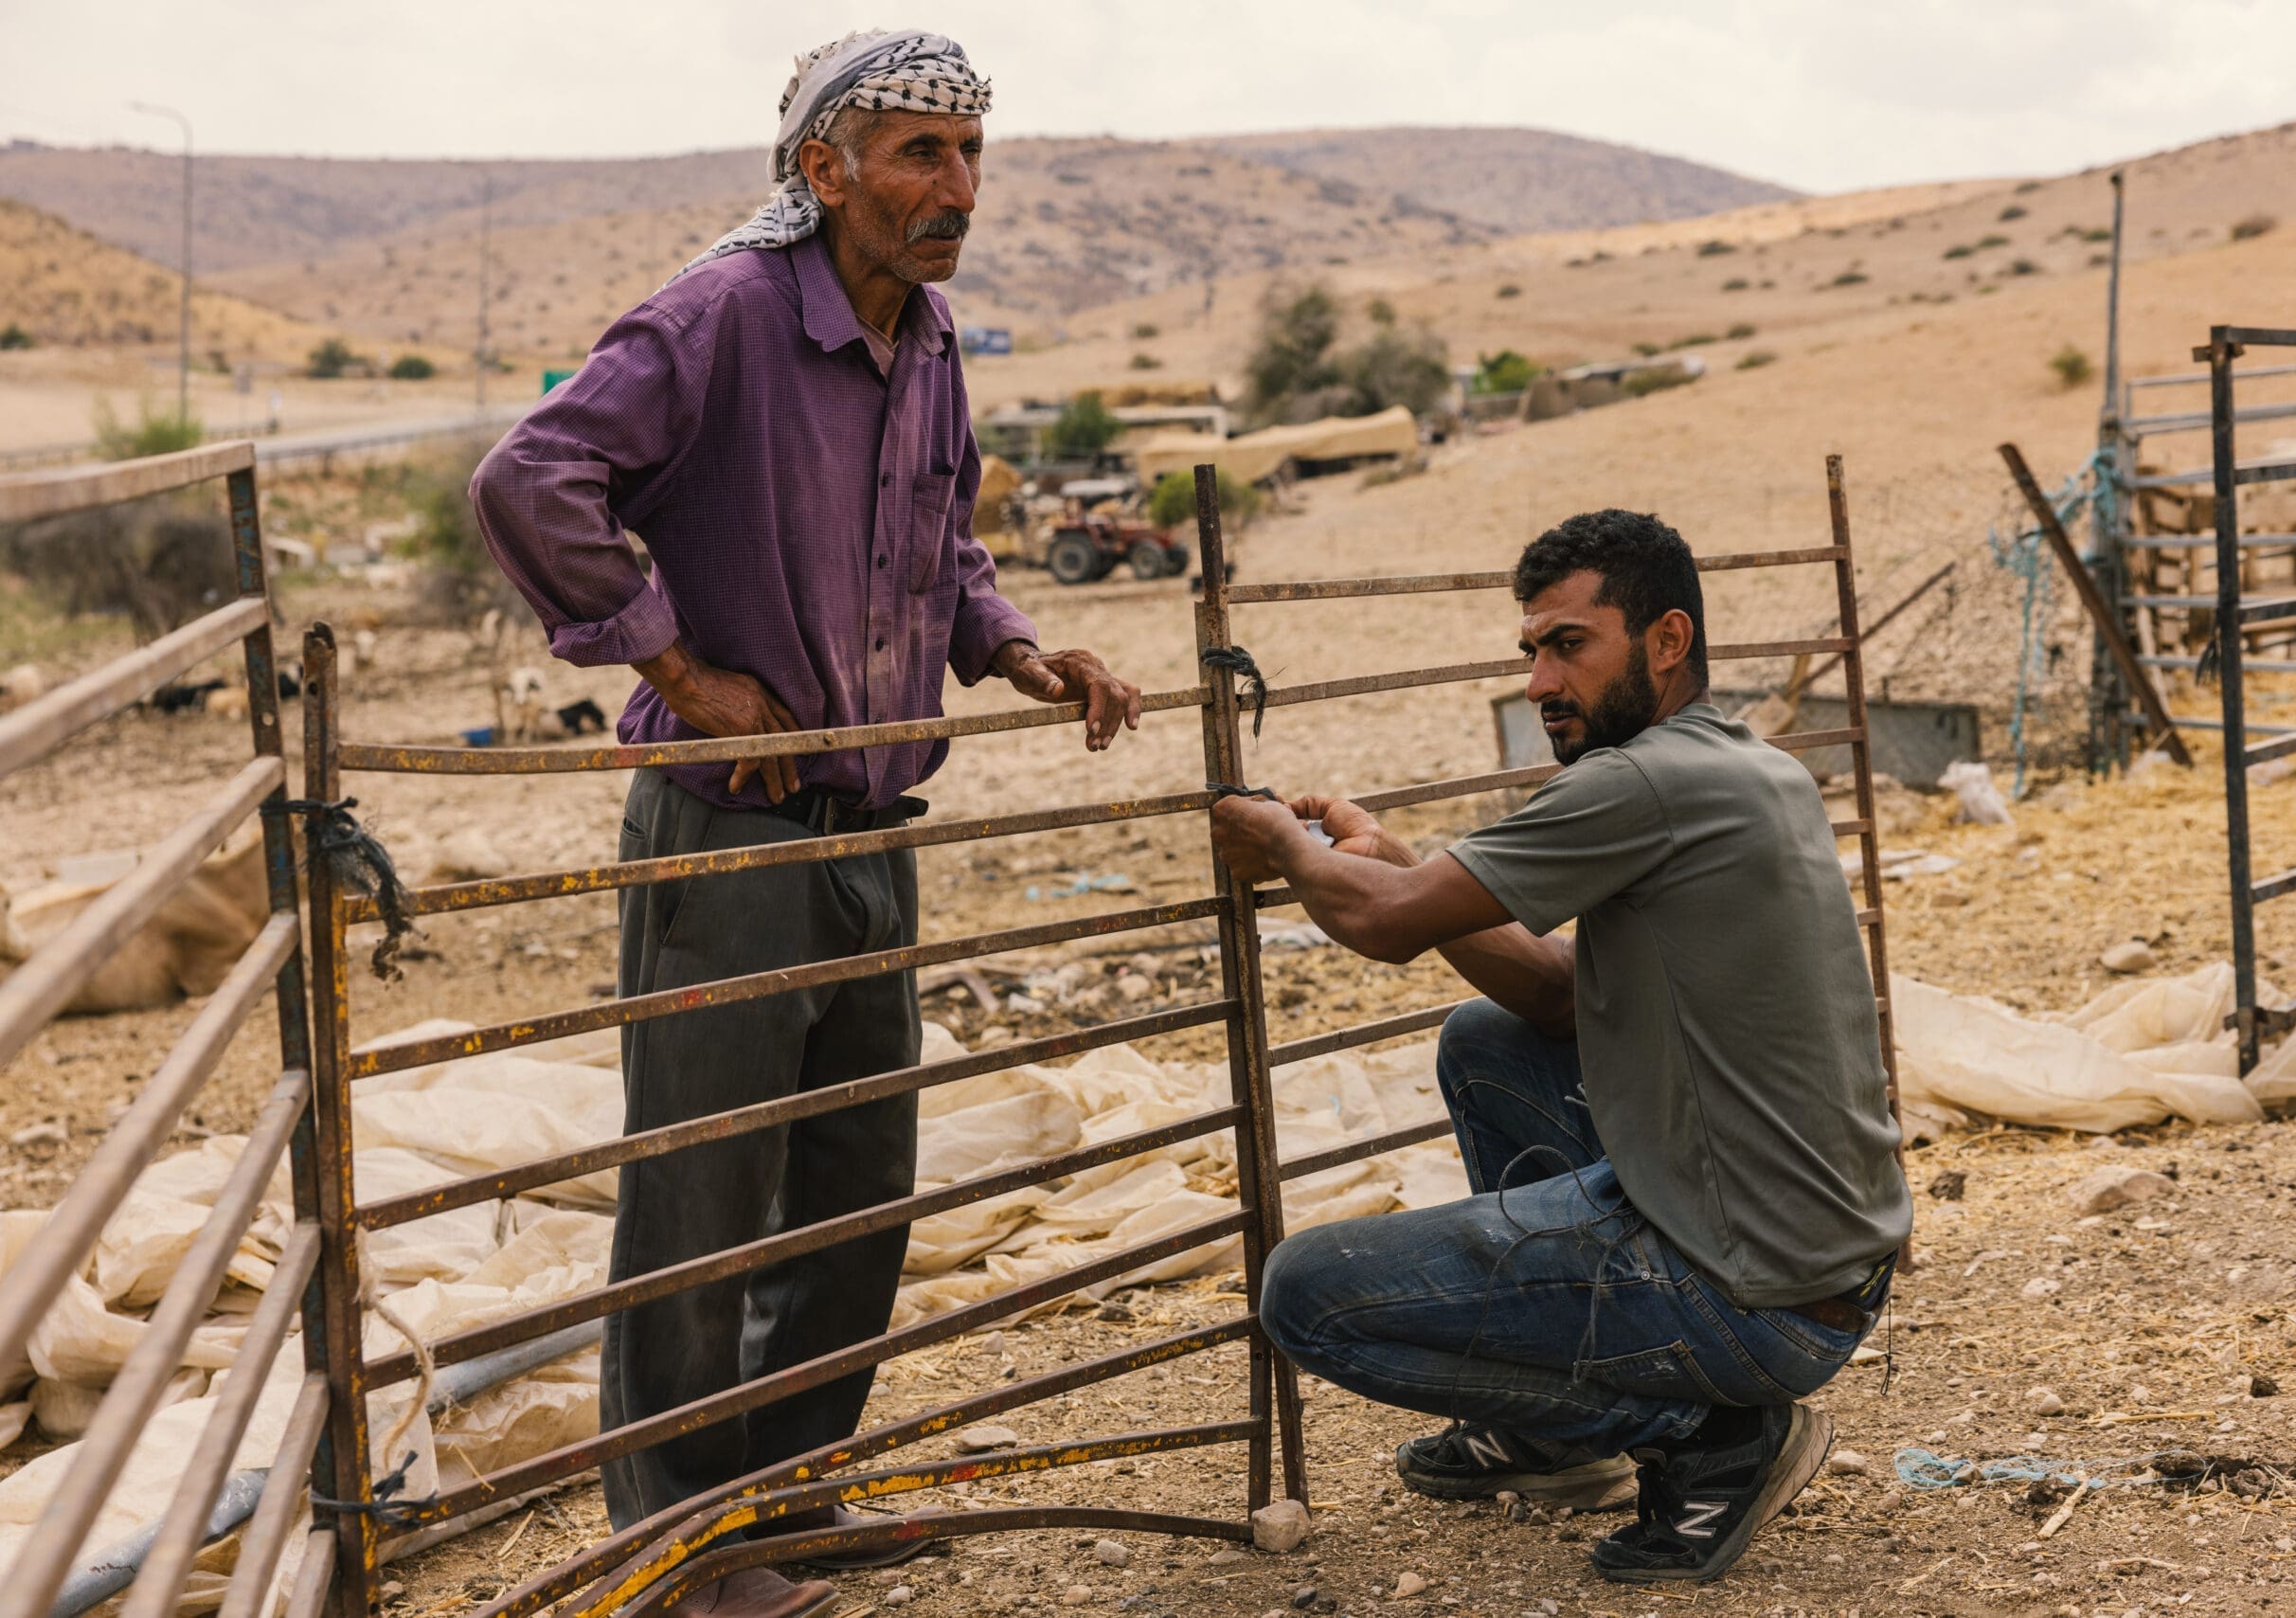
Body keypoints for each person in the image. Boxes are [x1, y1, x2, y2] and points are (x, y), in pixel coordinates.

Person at [473, 30, 1140, 1618]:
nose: (955, 189)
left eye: (970, 155)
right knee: (702, 1196)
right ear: (822, 167)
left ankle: (790, 1484)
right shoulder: (720, 316)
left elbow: (944, 539)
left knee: (858, 1183)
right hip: (731, 838)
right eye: (920, 155)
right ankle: (684, 1547)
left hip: (870, 823)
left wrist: (1020, 647)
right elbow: (532, 476)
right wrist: (675, 663)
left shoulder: (933, 335)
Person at [1209, 510, 1910, 1588]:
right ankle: (1551, 1439)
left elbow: (1387, 924)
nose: (1540, 680)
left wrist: (1285, 846)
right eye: (1530, 649)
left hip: (1751, 1294)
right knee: (1489, 1038)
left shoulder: (1639, 782)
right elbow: (1551, 997)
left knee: (1307, 1293)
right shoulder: (1739, 763)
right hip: (1814, 1263)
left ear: (1665, 641)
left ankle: (1708, 1436)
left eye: (1568, 645)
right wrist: (1389, 855)